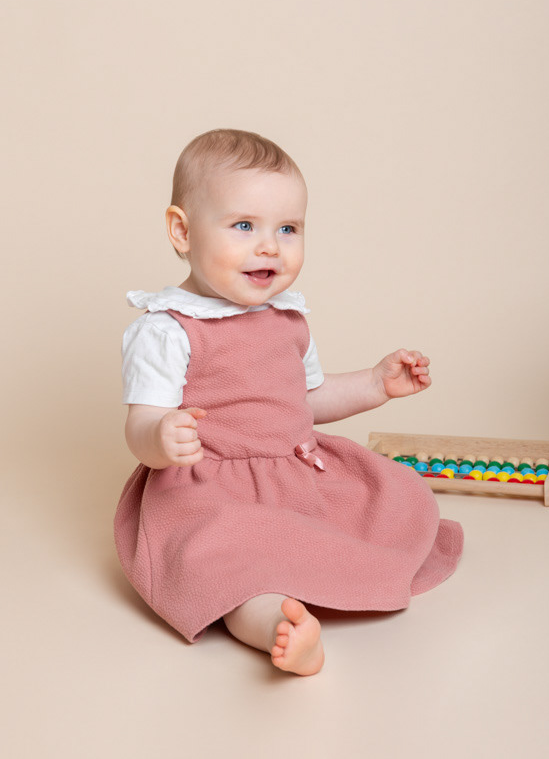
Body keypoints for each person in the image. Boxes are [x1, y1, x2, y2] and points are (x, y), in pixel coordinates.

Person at [114, 128, 463, 677]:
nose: (270, 246)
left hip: (292, 473)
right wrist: (161, 438)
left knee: (392, 498)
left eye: (288, 228)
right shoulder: (168, 330)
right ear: (182, 231)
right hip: (210, 490)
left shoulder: (288, 320)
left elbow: (304, 402)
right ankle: (280, 624)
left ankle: (320, 577)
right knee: (231, 564)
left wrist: (374, 384)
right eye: (244, 226)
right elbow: (142, 423)